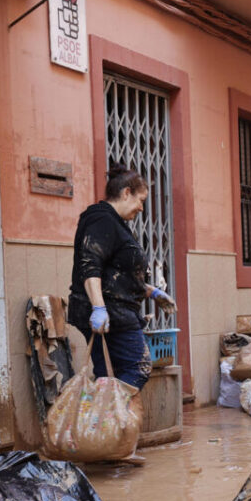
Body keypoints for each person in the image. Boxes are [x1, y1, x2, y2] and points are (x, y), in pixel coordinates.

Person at [67, 165, 177, 391]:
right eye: (141, 200)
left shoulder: (115, 223)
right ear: (126, 193)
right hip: (110, 314)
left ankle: (104, 422)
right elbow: (90, 265)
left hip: (115, 312)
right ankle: (106, 419)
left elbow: (116, 274)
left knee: (110, 374)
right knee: (138, 367)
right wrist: (99, 308)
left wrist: (151, 292)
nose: (141, 208)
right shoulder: (101, 219)